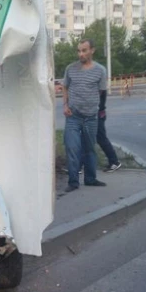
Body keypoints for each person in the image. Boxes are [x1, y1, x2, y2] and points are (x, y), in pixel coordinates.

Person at [63, 39, 107, 192]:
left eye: (84, 50)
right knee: (72, 148)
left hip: (91, 118)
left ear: (92, 50)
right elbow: (65, 87)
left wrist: (93, 107)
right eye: (79, 50)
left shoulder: (100, 70)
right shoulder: (71, 69)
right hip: (73, 116)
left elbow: (100, 92)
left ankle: (90, 179)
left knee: (89, 149)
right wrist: (65, 105)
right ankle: (73, 182)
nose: (80, 54)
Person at [80, 91, 122, 173]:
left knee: (100, 138)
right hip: (97, 113)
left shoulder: (98, 84)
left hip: (97, 114)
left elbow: (94, 97)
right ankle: (79, 164)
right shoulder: (97, 83)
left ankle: (114, 161)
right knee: (88, 138)